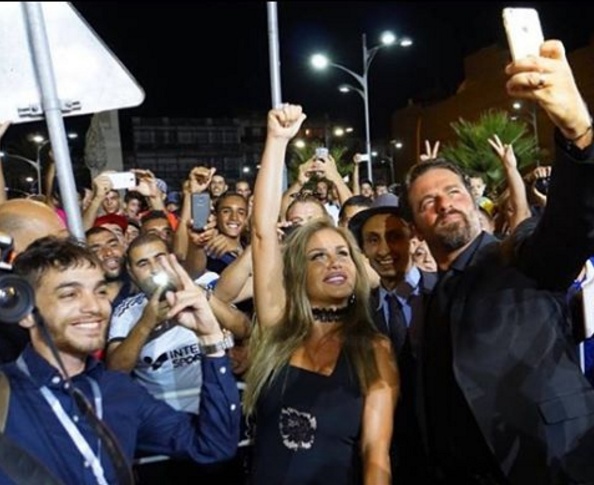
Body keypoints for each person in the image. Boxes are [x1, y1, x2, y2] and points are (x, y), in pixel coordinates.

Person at [400, 40, 594, 484]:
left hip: (552, 467)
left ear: (473, 202)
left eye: (453, 192)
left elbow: (572, 225)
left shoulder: (517, 255)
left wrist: (579, 137)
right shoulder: (424, 301)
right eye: (428, 202)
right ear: (416, 229)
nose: (444, 204)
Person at [1, 236, 240, 484]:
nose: (94, 306)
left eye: (100, 291)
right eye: (70, 294)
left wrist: (210, 339)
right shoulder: (6, 396)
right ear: (26, 312)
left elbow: (213, 446)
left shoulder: (117, 390)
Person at [244, 103, 398, 485]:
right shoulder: (279, 326)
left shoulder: (374, 349)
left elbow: (375, 454)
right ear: (299, 273)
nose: (334, 263)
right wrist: (277, 140)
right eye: (318, 256)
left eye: (343, 253)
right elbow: (263, 233)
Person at [349, 193, 436, 484]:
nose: (384, 249)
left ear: (414, 238)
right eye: (373, 240)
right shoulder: (356, 314)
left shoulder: (444, 293)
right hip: (387, 455)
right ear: (363, 250)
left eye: (394, 236)